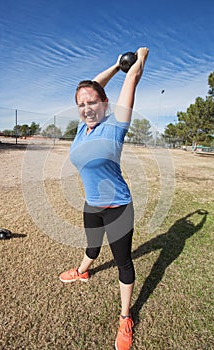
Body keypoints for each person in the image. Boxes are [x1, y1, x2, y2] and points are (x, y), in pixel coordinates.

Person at [59, 47, 149, 350]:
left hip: (117, 207)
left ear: (104, 103)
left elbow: (131, 79)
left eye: (92, 102)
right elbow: (93, 85)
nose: (86, 107)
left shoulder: (114, 124)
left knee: (123, 261)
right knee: (92, 247)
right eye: (81, 104)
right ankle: (82, 272)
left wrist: (138, 58)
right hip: (92, 204)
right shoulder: (82, 131)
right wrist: (113, 65)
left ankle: (125, 317)